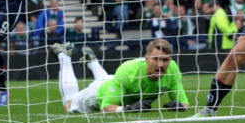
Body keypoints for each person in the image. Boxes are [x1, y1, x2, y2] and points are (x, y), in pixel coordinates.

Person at [53, 38, 189, 113]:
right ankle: (63, 55)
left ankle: (92, 61)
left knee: (110, 82)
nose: (161, 65)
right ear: (146, 58)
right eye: (156, 59)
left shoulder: (173, 70)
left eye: (165, 60)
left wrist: (179, 106)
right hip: (97, 94)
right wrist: (128, 109)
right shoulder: (128, 70)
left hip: (115, 83)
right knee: (68, 104)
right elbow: (106, 107)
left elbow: (184, 103)